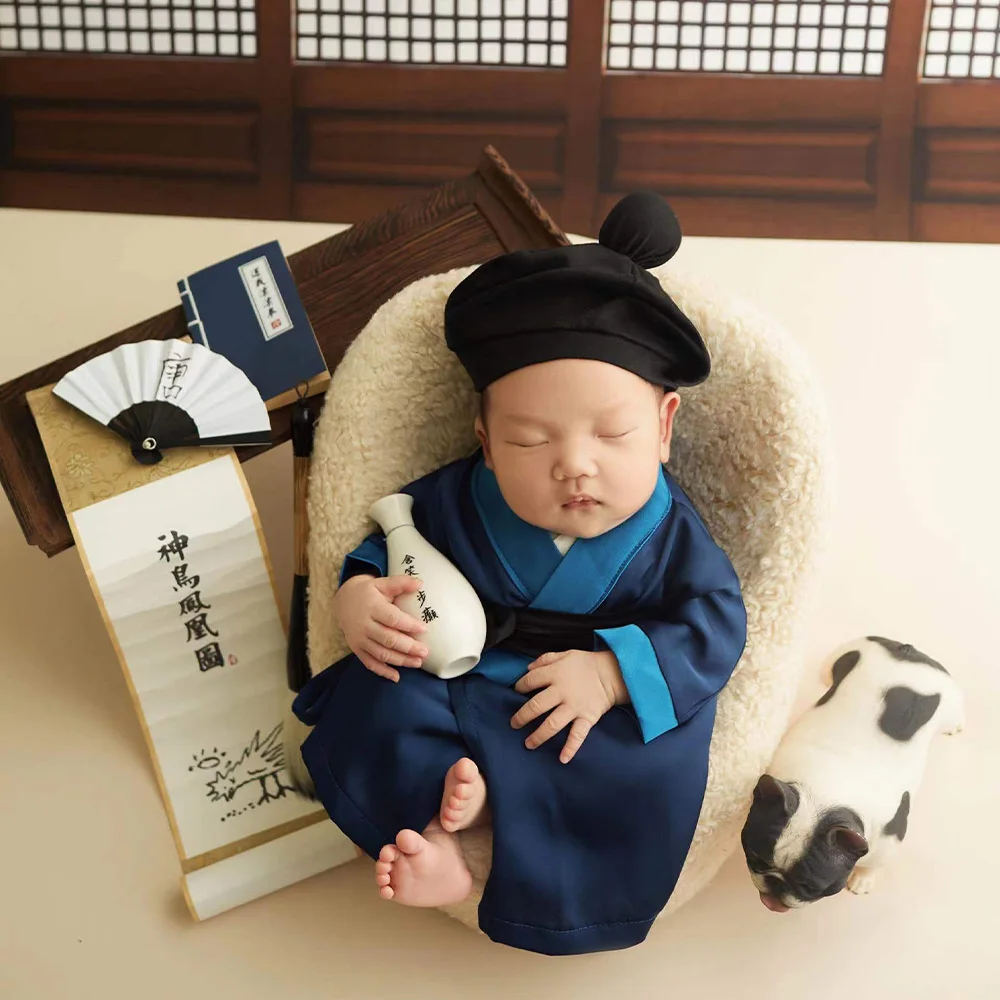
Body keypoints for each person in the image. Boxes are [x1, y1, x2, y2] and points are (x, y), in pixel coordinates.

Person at [290, 191, 748, 955]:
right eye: (533, 440)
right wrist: (360, 597)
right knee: (381, 696)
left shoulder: (672, 536)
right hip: (468, 679)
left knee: (645, 772)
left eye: (613, 433)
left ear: (665, 426)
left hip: (591, 706)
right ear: (487, 441)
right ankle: (441, 839)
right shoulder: (461, 497)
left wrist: (609, 676)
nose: (576, 463)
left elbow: (715, 621)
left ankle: (509, 854)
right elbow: (392, 545)